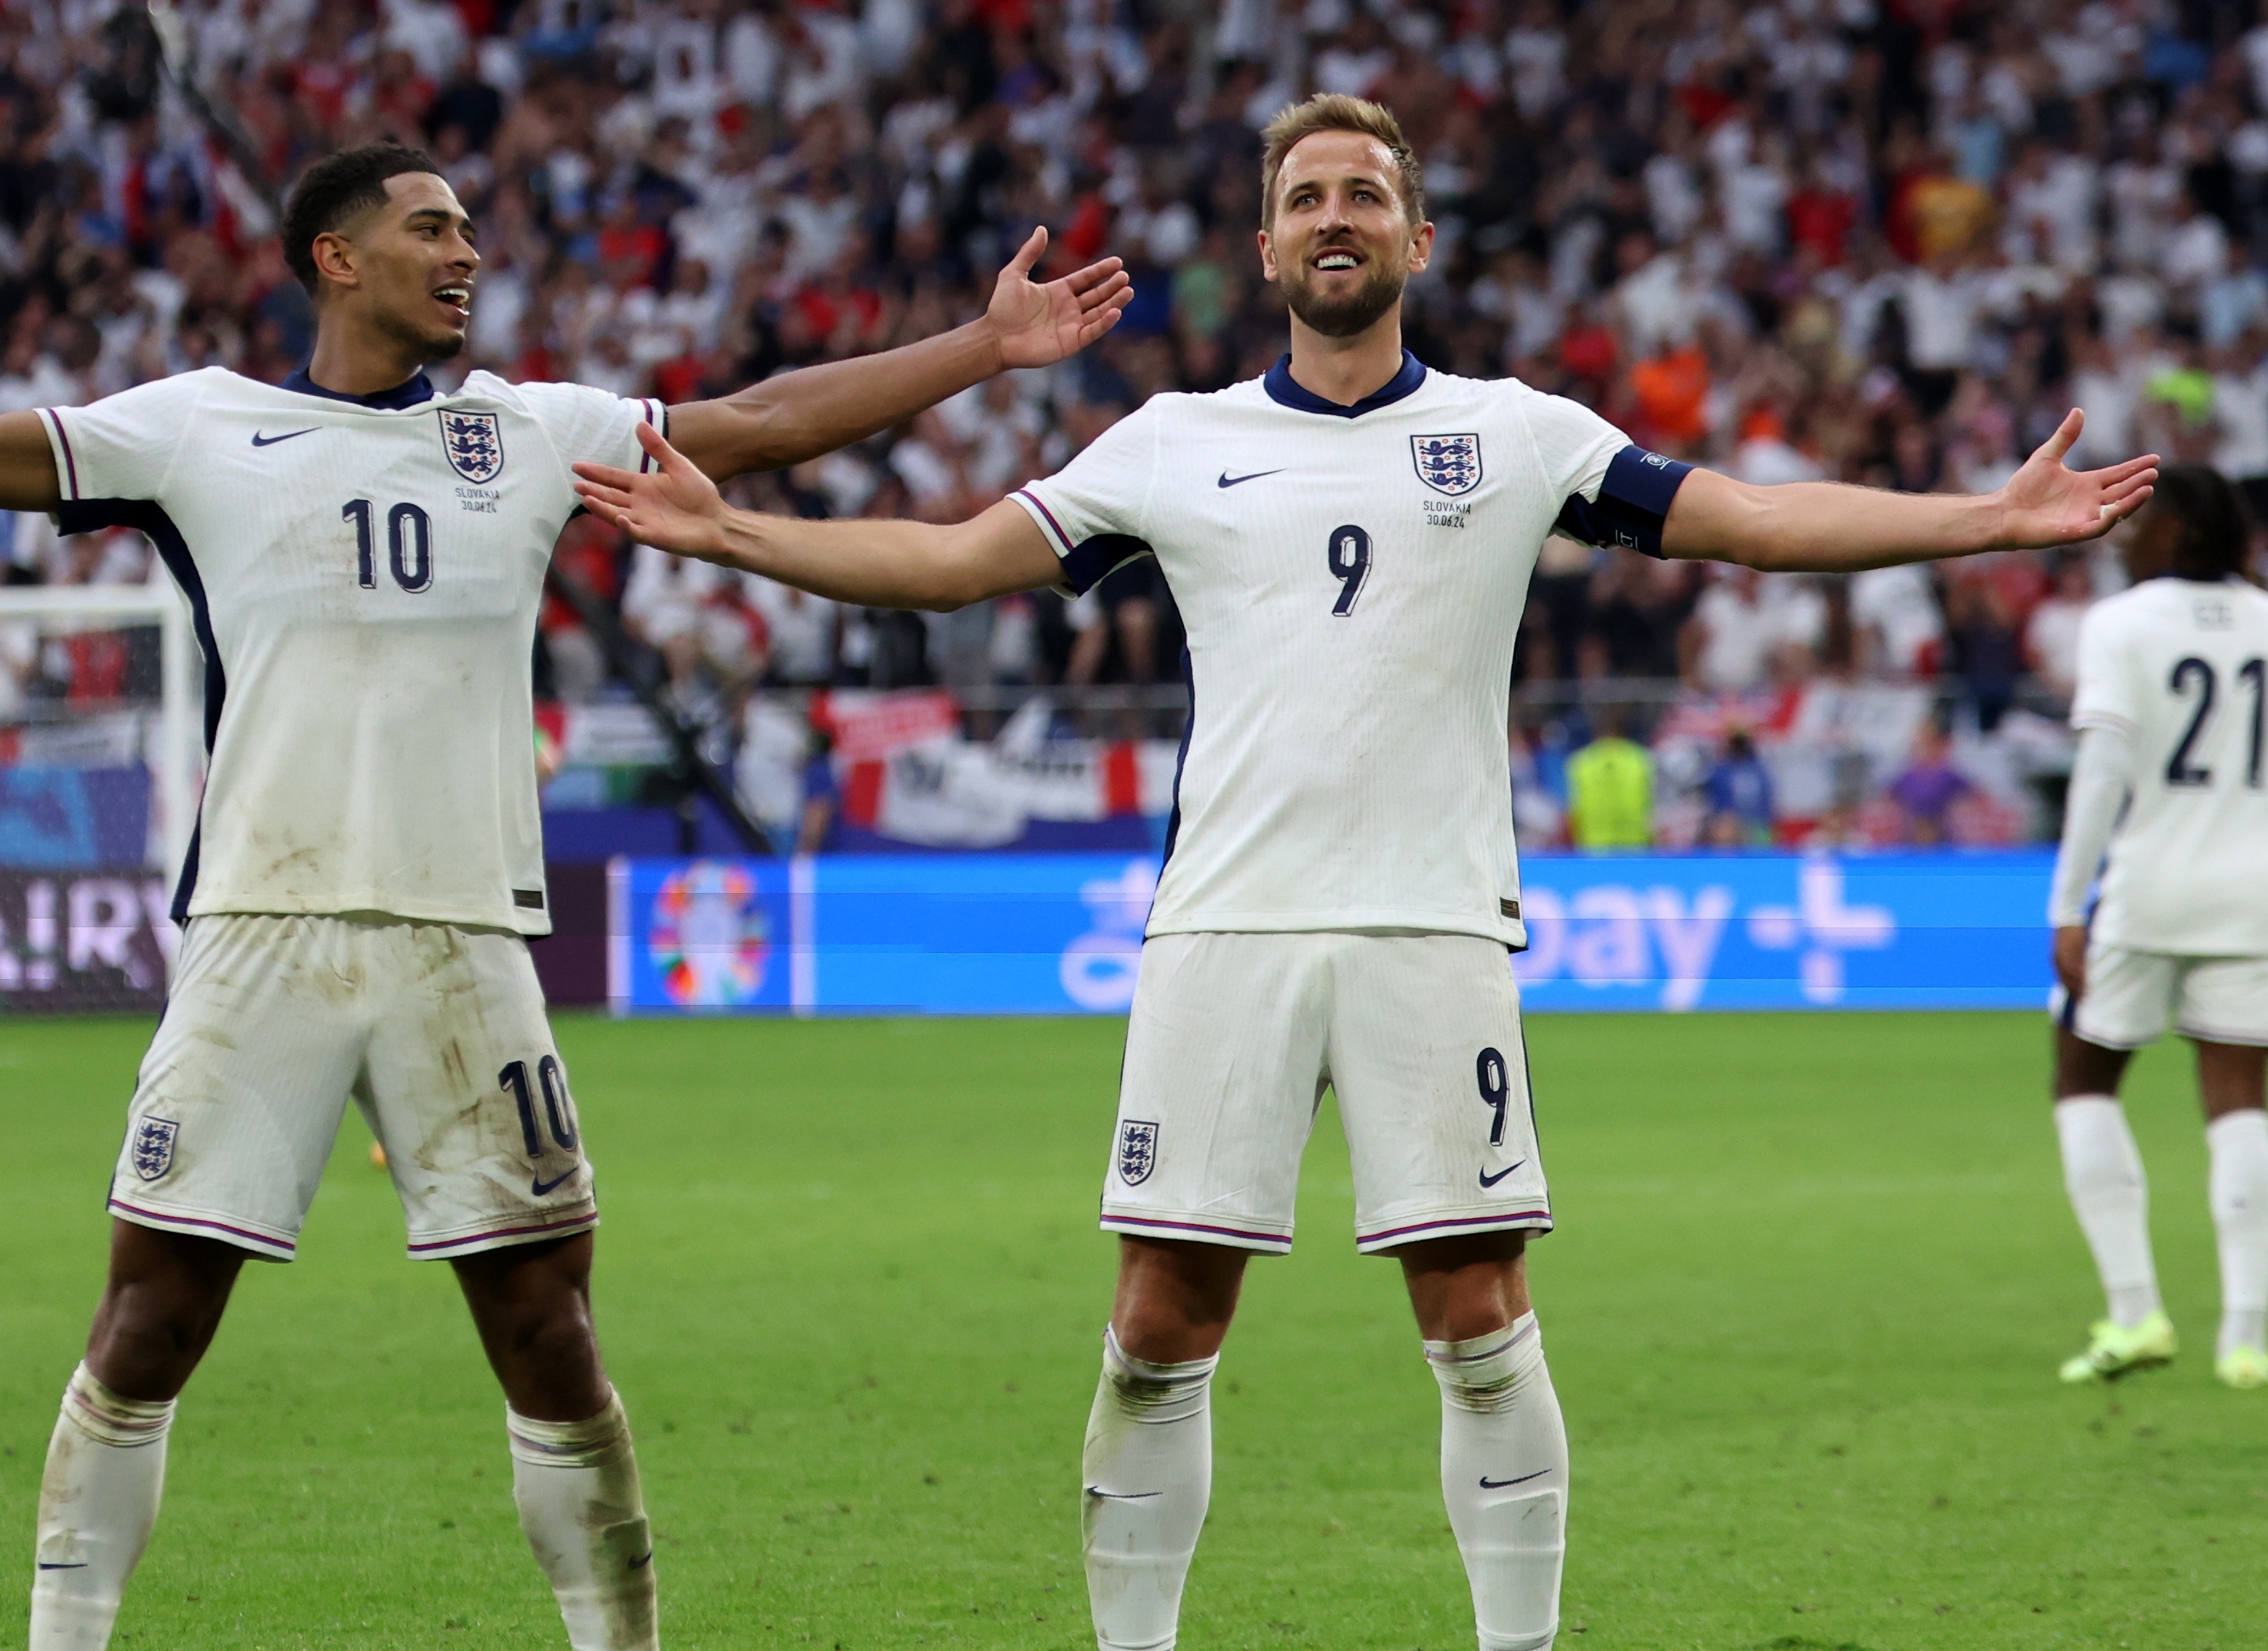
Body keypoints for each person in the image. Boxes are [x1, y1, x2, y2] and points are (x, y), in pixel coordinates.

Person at [573, 93, 2158, 1651]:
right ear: (1266, 248)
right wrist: (734, 538)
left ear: (1418, 233)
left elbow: (1745, 518)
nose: (1338, 217)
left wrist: (1981, 522)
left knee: (1477, 1316)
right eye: (1309, 197)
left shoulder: (1522, 431)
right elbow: (942, 560)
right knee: (1155, 1325)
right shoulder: (1175, 443)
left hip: (1432, 926)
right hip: (1225, 930)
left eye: (1364, 194)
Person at [0, 142, 1129, 1651]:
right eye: (429, 228)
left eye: (469, 225)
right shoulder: (199, 424)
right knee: (150, 1321)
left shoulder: (531, 432)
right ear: (337, 259)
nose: (465, 248)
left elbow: (759, 421)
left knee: (548, 1329)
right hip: (261, 937)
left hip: (468, 942)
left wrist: (985, 348)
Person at [2044, 463, 2268, 1391]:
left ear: (2177, 532)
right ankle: (2244, 1339)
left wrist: (2065, 901)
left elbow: (2102, 768)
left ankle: (2134, 1313)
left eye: (2138, 521)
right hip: (2248, 889)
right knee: (2239, 1099)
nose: (2122, 534)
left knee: (2082, 1075)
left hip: (2147, 886)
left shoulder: (2122, 623)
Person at [1564, 704, 1653, 850]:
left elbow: (1573, 810)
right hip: (1636, 844)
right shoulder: (1642, 759)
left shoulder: (1581, 762)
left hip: (1593, 845)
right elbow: (1653, 803)